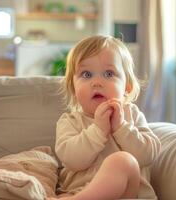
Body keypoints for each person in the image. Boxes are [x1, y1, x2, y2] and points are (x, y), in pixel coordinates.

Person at [48, 35, 161, 200]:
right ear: (74, 88)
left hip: (127, 194)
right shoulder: (70, 121)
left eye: (109, 74)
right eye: (86, 75)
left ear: (126, 88)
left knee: (123, 161)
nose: (97, 82)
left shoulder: (132, 114)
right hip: (78, 192)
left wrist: (122, 127)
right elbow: (72, 160)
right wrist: (98, 131)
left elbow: (148, 155)